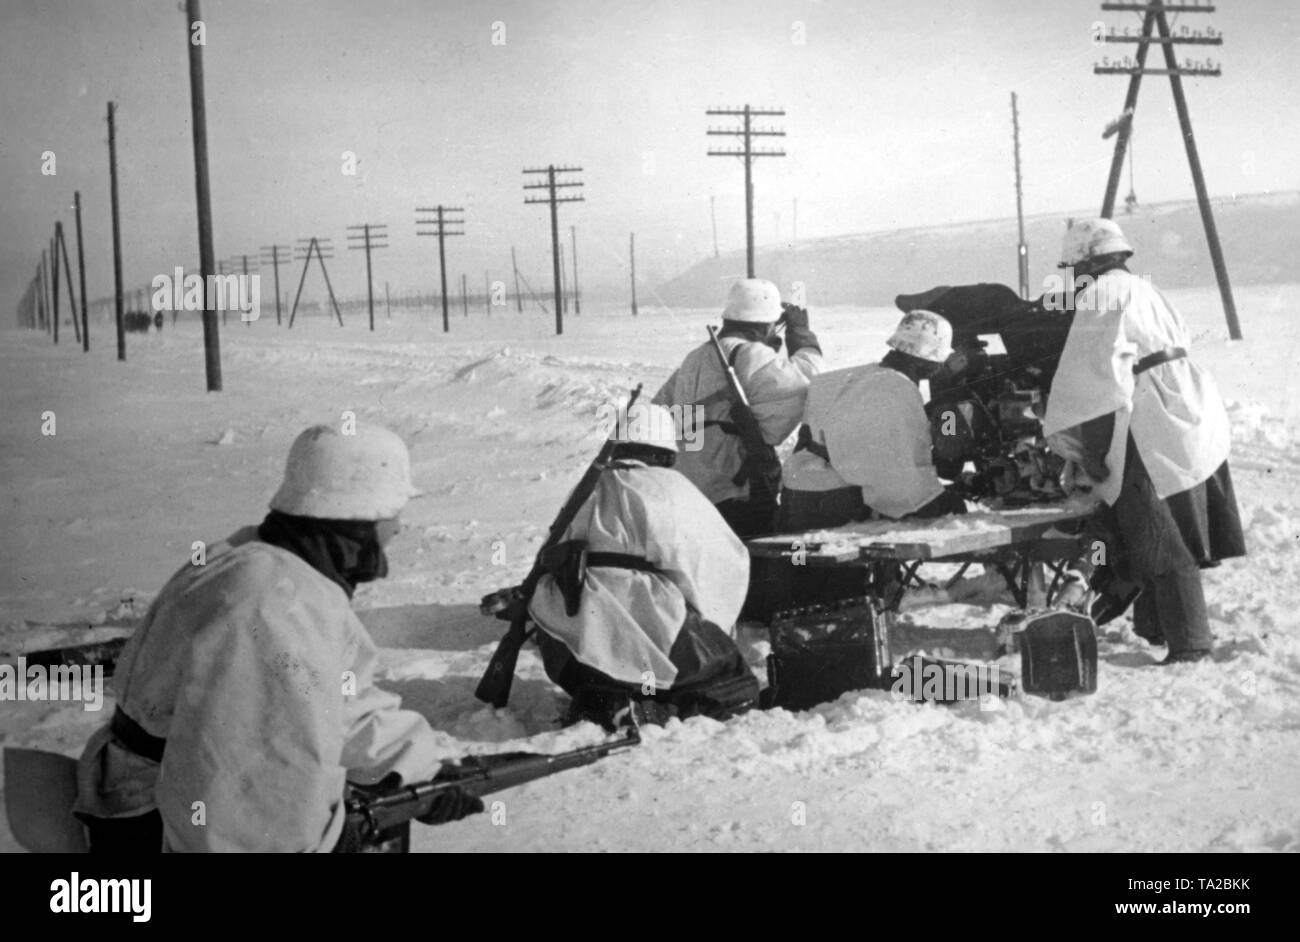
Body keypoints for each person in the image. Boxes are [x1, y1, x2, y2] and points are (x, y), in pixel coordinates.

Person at [73, 423, 483, 852]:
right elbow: (252, 788)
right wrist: (327, 842)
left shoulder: (267, 564)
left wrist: (420, 767)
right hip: (163, 822)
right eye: (392, 514)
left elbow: (337, 702)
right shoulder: (274, 608)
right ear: (358, 521)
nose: (398, 529)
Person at [1043, 217, 1245, 664]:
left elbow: (1096, 384)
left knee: (1160, 532)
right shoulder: (1143, 288)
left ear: (1083, 264)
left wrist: (1090, 454)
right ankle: (1154, 626)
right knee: (1165, 522)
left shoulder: (1100, 294)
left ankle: (1190, 645)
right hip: (1186, 406)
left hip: (1149, 415)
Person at [528, 402, 760, 728]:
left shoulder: (583, 491)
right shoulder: (671, 489)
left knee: (629, 667)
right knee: (733, 686)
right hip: (643, 635)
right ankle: (651, 710)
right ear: (665, 452)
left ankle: (606, 698)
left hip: (569, 650)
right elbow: (719, 565)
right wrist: (712, 629)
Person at [652, 279, 823, 538]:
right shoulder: (751, 355)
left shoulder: (695, 357)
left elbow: (660, 412)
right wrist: (802, 338)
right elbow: (807, 384)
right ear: (768, 324)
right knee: (756, 562)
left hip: (688, 486)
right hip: (735, 490)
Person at [781, 309, 967, 530]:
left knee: (798, 558)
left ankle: (797, 561)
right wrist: (943, 498)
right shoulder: (899, 392)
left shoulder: (842, 377)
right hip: (835, 504)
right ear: (930, 362)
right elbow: (898, 485)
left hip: (796, 494)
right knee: (952, 509)